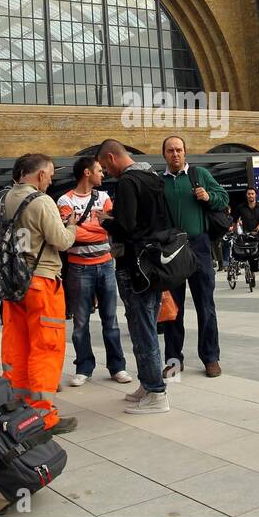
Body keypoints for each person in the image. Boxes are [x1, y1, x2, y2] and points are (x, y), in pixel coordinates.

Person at [0, 153, 78, 434]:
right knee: (46, 347)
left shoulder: (3, 200)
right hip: (42, 282)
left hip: (12, 283)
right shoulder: (42, 202)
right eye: (51, 175)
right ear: (40, 174)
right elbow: (61, 241)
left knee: (17, 344)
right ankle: (43, 416)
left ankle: (17, 406)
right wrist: (72, 226)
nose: (51, 180)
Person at [97, 139, 171, 415]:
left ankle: (156, 393)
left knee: (142, 330)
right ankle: (148, 384)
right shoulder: (153, 177)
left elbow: (127, 227)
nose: (107, 172)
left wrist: (106, 221)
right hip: (152, 263)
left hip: (134, 264)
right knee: (145, 325)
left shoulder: (128, 182)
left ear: (112, 157)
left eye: (105, 166)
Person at [58, 155, 130, 387]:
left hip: (106, 264)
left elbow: (111, 227)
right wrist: (98, 227)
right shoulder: (64, 200)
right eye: (99, 170)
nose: (103, 173)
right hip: (79, 267)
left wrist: (86, 227)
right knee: (81, 323)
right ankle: (83, 367)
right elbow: (71, 235)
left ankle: (117, 366)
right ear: (87, 173)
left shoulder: (104, 197)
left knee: (111, 320)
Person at [159, 135, 227, 379]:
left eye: (178, 150)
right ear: (164, 154)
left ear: (185, 152)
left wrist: (208, 197)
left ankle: (210, 358)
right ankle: (173, 361)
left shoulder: (200, 175)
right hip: (172, 249)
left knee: (205, 305)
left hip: (199, 246)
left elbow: (223, 198)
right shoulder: (160, 182)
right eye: (170, 150)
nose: (175, 154)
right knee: (172, 309)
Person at [234, 187, 259, 289]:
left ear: (256, 195)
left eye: (252, 193)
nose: (250, 195)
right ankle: (252, 277)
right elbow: (235, 220)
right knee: (251, 257)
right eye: (249, 194)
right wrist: (235, 233)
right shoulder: (241, 207)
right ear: (246, 195)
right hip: (248, 236)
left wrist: (256, 230)